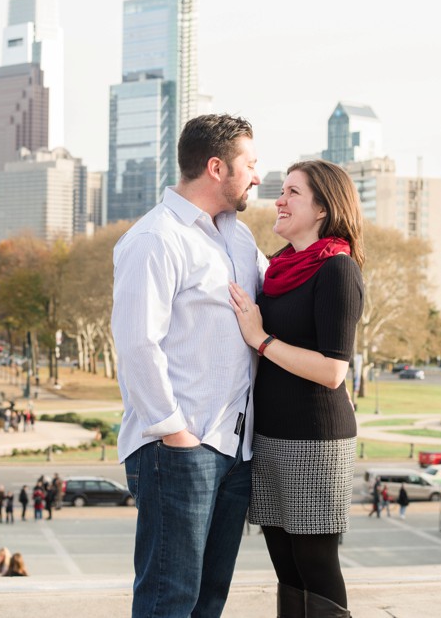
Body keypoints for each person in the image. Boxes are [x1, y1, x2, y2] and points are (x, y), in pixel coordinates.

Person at [112, 114, 265, 617]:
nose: (258, 176)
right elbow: (137, 344)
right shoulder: (156, 238)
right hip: (180, 449)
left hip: (233, 448)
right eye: (250, 163)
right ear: (217, 167)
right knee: (168, 601)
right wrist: (174, 432)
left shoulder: (239, 239)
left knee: (208, 600)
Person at [228, 159, 365, 618]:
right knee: (285, 567)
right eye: (280, 191)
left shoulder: (337, 270)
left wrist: (261, 339)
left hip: (315, 442)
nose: (279, 200)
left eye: (292, 193)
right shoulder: (280, 267)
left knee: (316, 566)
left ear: (323, 208)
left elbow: (333, 371)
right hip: (270, 437)